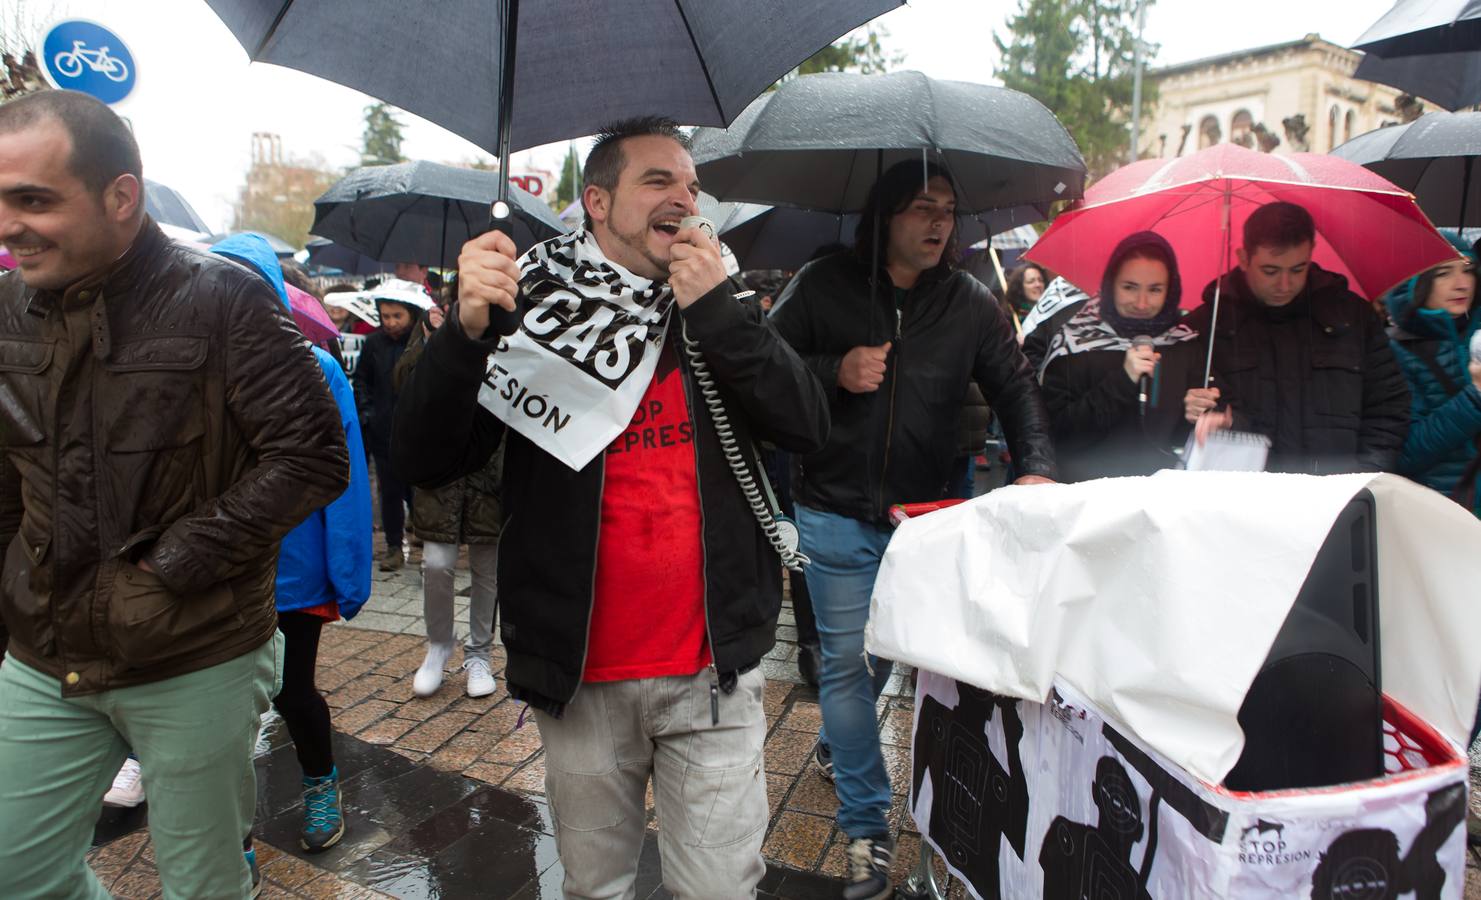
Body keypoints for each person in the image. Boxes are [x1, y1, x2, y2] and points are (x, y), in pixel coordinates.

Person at [392, 117, 828, 898]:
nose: (685, 199)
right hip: (582, 672)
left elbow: (807, 426)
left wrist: (724, 318)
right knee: (595, 888)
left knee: (723, 889)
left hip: (712, 669)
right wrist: (463, 332)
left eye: (691, 186)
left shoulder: (714, 301)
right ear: (596, 200)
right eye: (658, 181)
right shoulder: (531, 305)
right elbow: (428, 459)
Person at [0, 91, 347, 897]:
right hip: (43, 654)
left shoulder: (224, 298)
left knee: (204, 885)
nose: (10, 224)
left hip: (194, 653)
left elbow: (313, 456)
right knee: (15, 869)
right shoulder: (7, 311)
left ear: (121, 197)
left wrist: (170, 568)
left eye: (34, 200)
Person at [770, 159, 1056, 900]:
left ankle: (843, 741)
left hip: (928, 519)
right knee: (842, 664)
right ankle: (866, 830)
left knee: (891, 659)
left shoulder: (968, 301)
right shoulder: (823, 282)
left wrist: (1036, 467)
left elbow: (1015, 384)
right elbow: (761, 369)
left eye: (947, 210)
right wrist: (834, 367)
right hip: (831, 508)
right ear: (884, 215)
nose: (936, 223)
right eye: (921, 207)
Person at [212, 233, 373, 854]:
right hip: (214, 572)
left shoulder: (317, 368)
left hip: (294, 570)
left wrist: (346, 571)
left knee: (291, 690)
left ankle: (321, 786)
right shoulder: (183, 366)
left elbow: (346, 474)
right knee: (221, 712)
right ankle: (233, 834)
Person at [1184, 201, 1410, 473]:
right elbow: (1177, 423)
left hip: (1339, 495)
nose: (1284, 284)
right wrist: (1204, 414)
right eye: (1270, 271)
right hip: (1243, 498)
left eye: (1297, 269)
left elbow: (1388, 407)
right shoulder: (1205, 326)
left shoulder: (1354, 317)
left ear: (1311, 254)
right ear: (1243, 258)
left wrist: (1366, 475)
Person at [392, 306, 503, 700]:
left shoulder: (505, 325)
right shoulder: (432, 324)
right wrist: (437, 338)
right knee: (437, 563)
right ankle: (439, 644)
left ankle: (480, 653)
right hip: (441, 472)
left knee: (486, 570)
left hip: (490, 467)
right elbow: (405, 379)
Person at [1039, 232, 1201, 482]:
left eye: (1155, 289)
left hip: (1161, 500)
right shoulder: (1075, 344)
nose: (1142, 302)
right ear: (1110, 284)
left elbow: (1174, 439)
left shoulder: (1185, 344)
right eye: (1130, 287)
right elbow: (1057, 433)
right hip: (1086, 496)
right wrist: (1123, 380)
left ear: (1171, 290)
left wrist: (1196, 417)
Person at [1385, 232, 1481, 515]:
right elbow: (1405, 454)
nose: (1461, 283)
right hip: (1441, 516)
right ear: (1416, 281)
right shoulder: (1395, 352)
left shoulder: (1476, 337)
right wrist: (1475, 396)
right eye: (1443, 273)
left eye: (1468, 270)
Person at [352, 278, 431, 571]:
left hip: (417, 431)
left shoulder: (423, 343)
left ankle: (420, 528)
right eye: (385, 316)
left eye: (397, 316)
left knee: (416, 487)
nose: (391, 322)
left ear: (411, 314)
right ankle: (394, 546)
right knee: (390, 492)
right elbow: (362, 381)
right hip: (383, 431)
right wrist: (368, 414)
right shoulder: (374, 343)